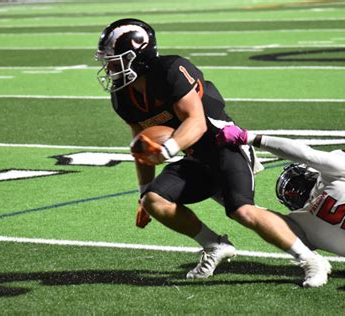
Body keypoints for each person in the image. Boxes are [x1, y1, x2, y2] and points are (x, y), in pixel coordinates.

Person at [95, 18, 332, 287]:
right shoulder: (122, 96)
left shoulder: (172, 69)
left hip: (224, 146)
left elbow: (195, 123)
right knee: (153, 200)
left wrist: (169, 148)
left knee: (242, 211)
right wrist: (144, 190)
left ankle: (310, 259)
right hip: (195, 157)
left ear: (141, 55)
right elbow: (141, 145)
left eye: (116, 60)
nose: (110, 67)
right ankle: (215, 245)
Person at [216, 125, 345, 280]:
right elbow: (304, 154)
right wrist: (251, 138)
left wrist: (217, 188)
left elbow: (249, 212)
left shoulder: (304, 226)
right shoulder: (341, 177)